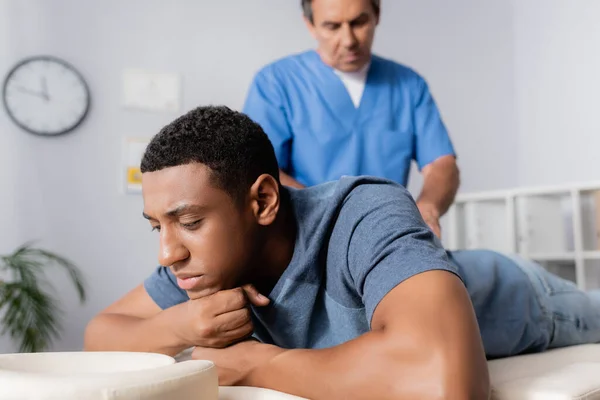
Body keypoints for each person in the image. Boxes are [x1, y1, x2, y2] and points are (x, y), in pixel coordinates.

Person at [85, 106, 600, 400]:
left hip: (526, 303)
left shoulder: (364, 211)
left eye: (189, 222)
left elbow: (448, 382)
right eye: (157, 225)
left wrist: (255, 364)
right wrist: (181, 328)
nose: (168, 251)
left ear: (262, 200)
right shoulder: (198, 262)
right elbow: (101, 333)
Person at [242, 0, 460, 237]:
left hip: (386, 233)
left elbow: (441, 164)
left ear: (377, 15)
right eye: (332, 26)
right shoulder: (276, 83)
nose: (349, 40)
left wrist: (427, 207)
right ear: (310, 25)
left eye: (358, 22)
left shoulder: (408, 85)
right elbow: (260, 167)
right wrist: (327, 212)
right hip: (307, 233)